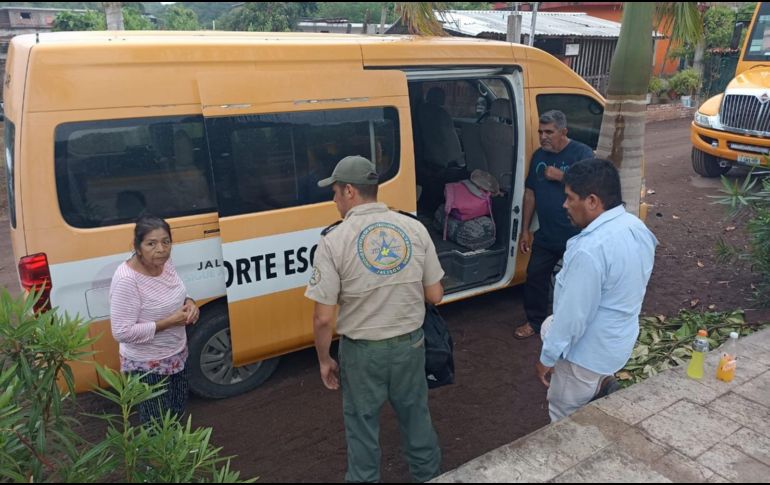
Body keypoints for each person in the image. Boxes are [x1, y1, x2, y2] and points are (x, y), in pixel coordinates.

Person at [305, 155, 444, 483]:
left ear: (350, 191)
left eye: (336, 192)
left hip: (362, 352)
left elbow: (323, 318)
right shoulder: (414, 227)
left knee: (361, 427)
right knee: (416, 418)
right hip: (411, 345)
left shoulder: (333, 240)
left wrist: (324, 360)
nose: (334, 200)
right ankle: (431, 477)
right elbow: (435, 295)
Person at [535, 158, 657, 422]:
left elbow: (573, 317)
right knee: (550, 325)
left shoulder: (589, 250)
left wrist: (547, 358)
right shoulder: (637, 228)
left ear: (592, 201)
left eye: (569, 198)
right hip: (618, 342)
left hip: (585, 355)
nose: (564, 205)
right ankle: (602, 386)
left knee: (564, 415)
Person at [109, 214, 199, 425]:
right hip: (147, 366)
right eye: (151, 243)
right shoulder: (127, 280)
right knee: (155, 423)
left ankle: (176, 453)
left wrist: (190, 303)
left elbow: (174, 295)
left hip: (176, 355)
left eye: (166, 242)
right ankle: (159, 458)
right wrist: (168, 322)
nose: (161, 249)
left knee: (176, 412)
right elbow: (121, 332)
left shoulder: (164, 264)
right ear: (137, 246)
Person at [515, 110, 594, 339]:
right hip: (547, 233)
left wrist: (562, 177)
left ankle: (573, 328)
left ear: (564, 132)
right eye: (540, 132)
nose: (543, 137)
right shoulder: (539, 155)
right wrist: (526, 230)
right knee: (535, 277)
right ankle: (535, 322)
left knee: (575, 284)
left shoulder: (582, 153)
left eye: (549, 132)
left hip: (576, 235)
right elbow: (530, 193)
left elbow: (592, 189)